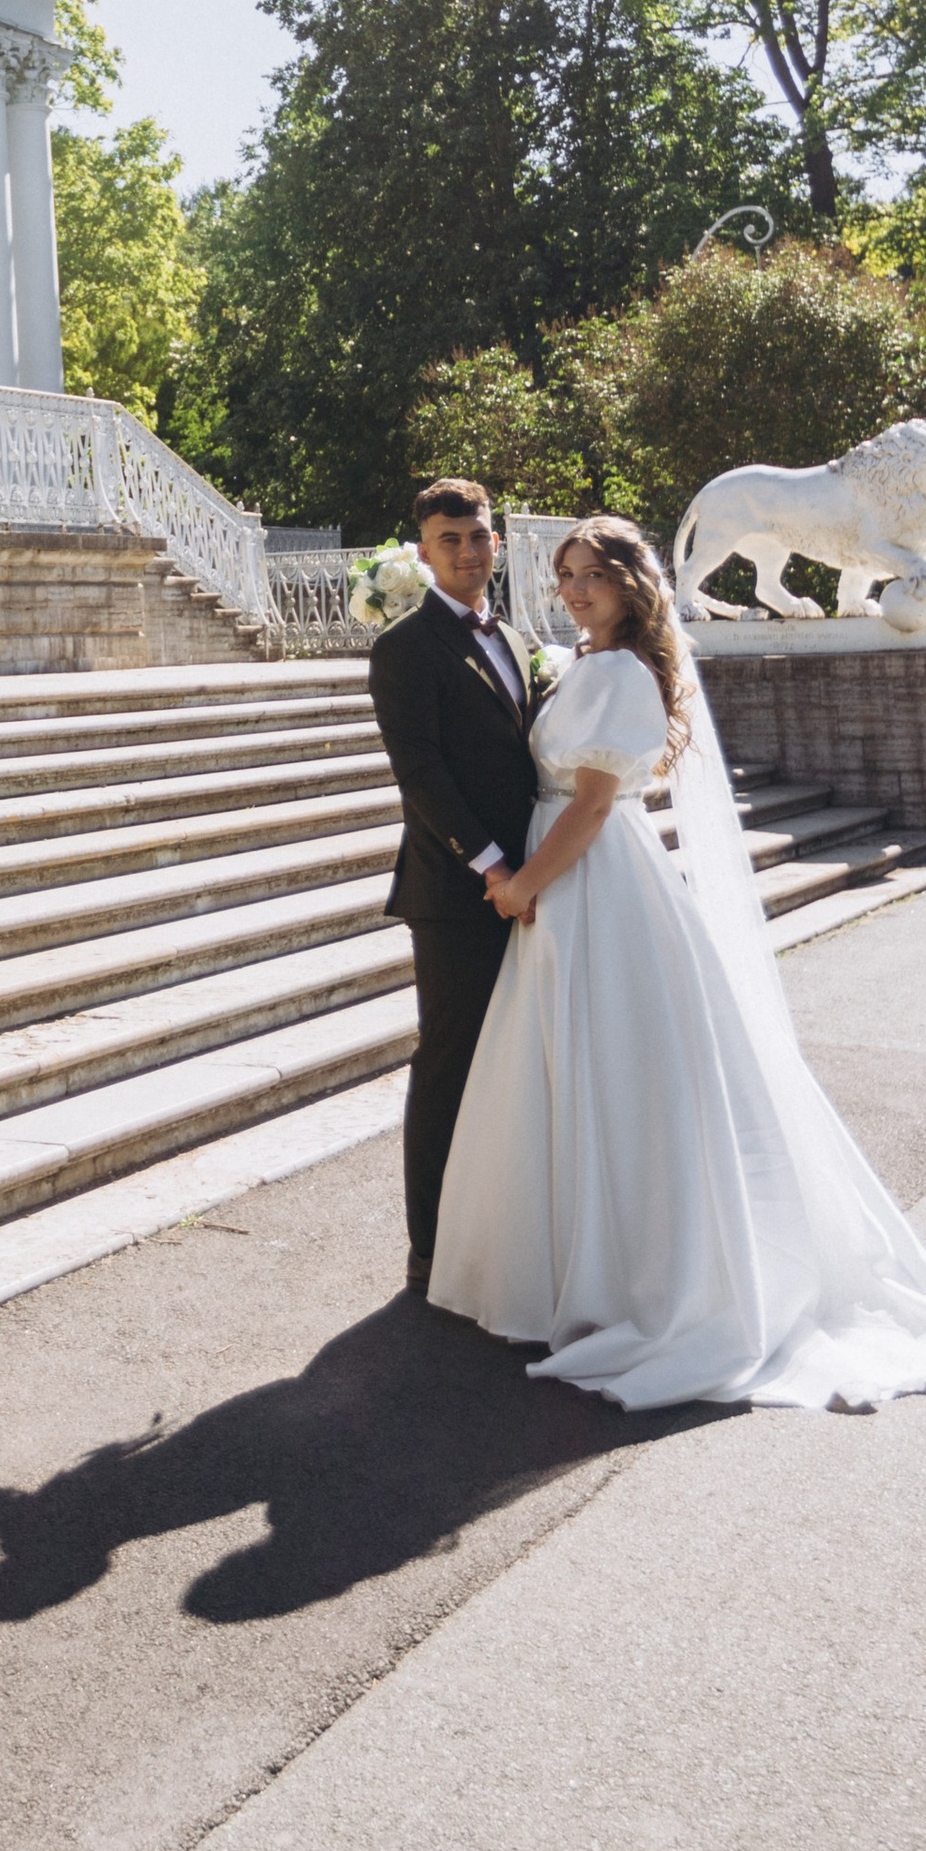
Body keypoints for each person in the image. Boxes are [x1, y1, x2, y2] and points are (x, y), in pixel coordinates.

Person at [429, 514, 926, 1411]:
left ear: (634, 584)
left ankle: (642, 1279)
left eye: (594, 573)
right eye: (566, 574)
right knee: (575, 1064)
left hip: (591, 879)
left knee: (617, 1062)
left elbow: (591, 806)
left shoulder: (624, 671)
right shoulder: (586, 663)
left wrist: (520, 888)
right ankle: (571, 1271)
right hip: (569, 874)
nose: (577, 588)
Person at [365, 476, 539, 1295]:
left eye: (478, 538)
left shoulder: (514, 634)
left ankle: (502, 1223)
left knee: (517, 1056)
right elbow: (422, 775)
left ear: (495, 543)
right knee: (450, 1062)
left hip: (534, 880)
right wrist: (495, 867)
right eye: (450, 540)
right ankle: (431, 1242)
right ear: (424, 551)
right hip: (457, 888)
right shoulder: (404, 648)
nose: (468, 552)